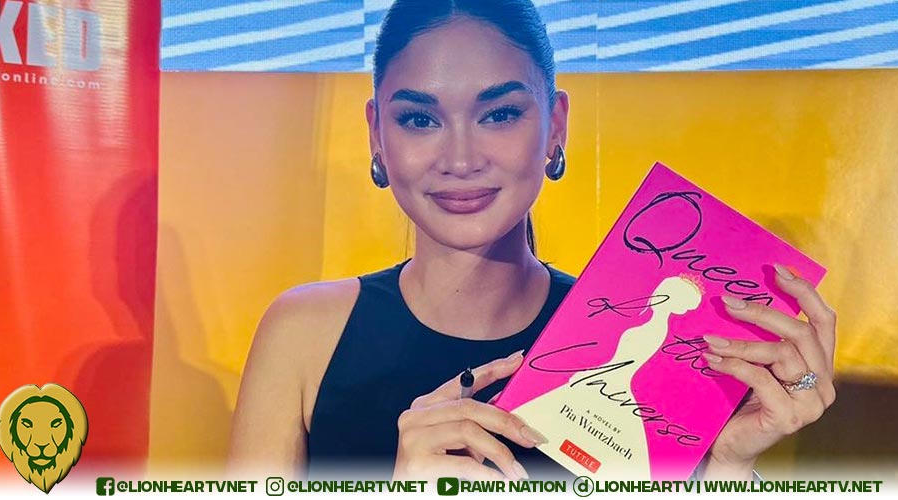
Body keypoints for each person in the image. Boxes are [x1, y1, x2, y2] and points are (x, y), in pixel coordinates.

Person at [227, 0, 837, 482]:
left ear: (555, 126)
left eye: (499, 114)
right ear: (376, 135)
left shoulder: (650, 347)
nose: (460, 158)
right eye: (419, 118)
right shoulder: (302, 335)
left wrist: (726, 466)